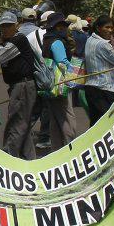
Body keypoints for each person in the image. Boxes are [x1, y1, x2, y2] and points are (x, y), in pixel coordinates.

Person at [0, 11, 44, 160]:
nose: (5, 29)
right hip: (20, 86)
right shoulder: (12, 41)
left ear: (16, 25)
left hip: (23, 86)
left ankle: (10, 158)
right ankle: (29, 158)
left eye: (9, 26)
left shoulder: (18, 40)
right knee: (23, 124)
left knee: (16, 124)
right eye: (3, 26)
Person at [41, 12, 79, 152]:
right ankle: (71, 147)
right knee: (67, 116)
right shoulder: (57, 42)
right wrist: (75, 72)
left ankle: (56, 149)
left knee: (55, 118)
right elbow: (62, 63)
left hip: (49, 84)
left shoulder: (47, 39)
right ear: (56, 27)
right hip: (60, 84)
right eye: (61, 26)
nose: (64, 29)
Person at [82, 16, 114, 123]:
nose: (110, 30)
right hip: (103, 89)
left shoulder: (90, 40)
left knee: (96, 124)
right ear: (98, 28)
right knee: (108, 123)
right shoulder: (103, 45)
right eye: (107, 27)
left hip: (91, 87)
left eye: (111, 28)